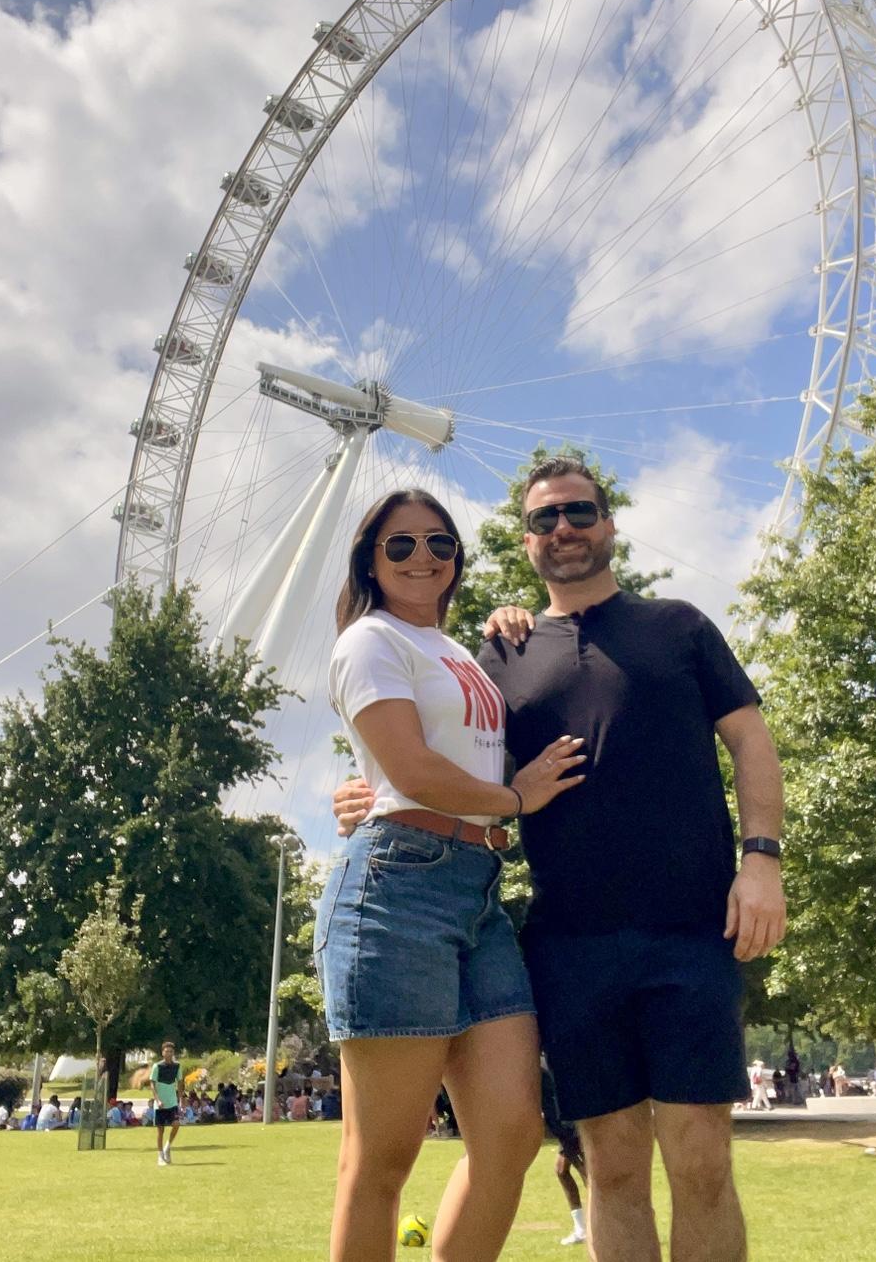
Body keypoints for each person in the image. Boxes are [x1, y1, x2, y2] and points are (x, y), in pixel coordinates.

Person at [335, 459, 788, 1262]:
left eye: (579, 513)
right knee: (611, 1165)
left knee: (702, 1159)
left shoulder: (679, 627)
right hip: (568, 945)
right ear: (525, 541)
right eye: (545, 520)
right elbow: (442, 746)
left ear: (608, 525)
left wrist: (763, 861)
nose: (564, 530)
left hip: (691, 929)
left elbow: (751, 739)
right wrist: (364, 792)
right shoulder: (495, 657)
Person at [316, 488, 584, 1262]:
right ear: (371, 558)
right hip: (396, 892)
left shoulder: (462, 652)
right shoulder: (369, 641)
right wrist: (513, 797)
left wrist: (513, 621)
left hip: (478, 894)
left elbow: (452, 749)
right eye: (400, 545)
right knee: (382, 1158)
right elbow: (410, 768)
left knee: (512, 1134)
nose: (422, 557)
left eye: (440, 543)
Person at [542, 1060, 588, 1248]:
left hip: (569, 1126)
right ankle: (581, 1228)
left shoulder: (542, 1066)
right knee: (562, 1171)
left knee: (590, 1178)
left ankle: (596, 1228)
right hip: (565, 1126)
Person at [150, 1042, 182, 1165]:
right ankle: (160, 1156)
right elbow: (152, 1084)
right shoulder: (157, 1066)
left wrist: (180, 1099)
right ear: (162, 1052)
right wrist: (157, 1099)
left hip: (172, 1101)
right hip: (160, 1103)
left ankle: (167, 1147)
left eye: (171, 1051)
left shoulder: (177, 1066)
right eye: (166, 1051)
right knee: (160, 1130)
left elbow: (179, 1082)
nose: (168, 1053)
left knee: (176, 1124)